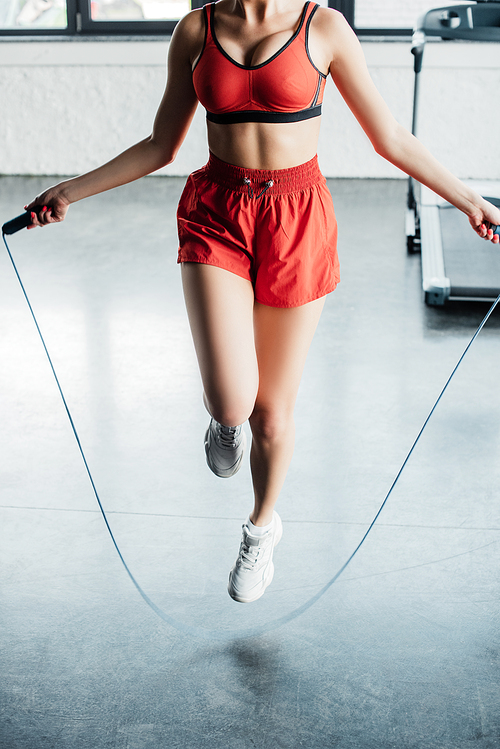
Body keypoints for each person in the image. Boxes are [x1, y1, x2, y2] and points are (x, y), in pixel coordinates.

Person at [25, 0, 500, 605]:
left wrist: (467, 200)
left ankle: (261, 526)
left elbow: (389, 137)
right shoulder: (195, 30)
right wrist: (71, 190)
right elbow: (160, 144)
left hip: (297, 219)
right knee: (232, 402)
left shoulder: (323, 27)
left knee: (270, 415)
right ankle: (225, 422)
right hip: (217, 212)